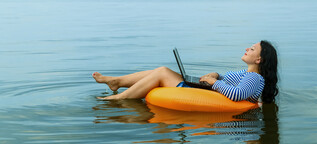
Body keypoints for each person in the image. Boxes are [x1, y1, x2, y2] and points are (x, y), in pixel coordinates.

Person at [93, 40, 279, 103]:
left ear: (259, 60)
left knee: (161, 71)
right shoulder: (248, 74)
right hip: (205, 88)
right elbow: (228, 80)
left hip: (204, 93)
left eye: (252, 49)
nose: (247, 49)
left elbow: (238, 95)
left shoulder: (254, 77)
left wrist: (215, 83)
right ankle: (116, 82)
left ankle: (119, 98)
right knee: (157, 70)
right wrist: (215, 75)